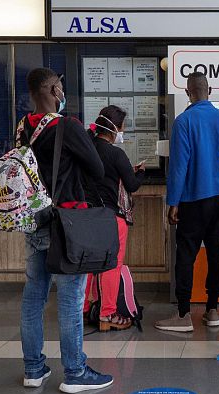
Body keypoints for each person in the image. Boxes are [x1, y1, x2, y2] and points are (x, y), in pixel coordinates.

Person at [19, 68, 113, 393]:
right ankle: (75, 372)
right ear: (53, 89)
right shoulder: (67, 126)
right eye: (60, 85)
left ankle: (34, 370)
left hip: (35, 222)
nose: (62, 90)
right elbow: (98, 170)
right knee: (71, 298)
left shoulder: (23, 127)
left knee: (33, 297)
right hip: (67, 223)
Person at [155, 72, 219, 332]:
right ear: (209, 90)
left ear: (188, 93)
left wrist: (173, 202)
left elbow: (178, 166)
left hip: (191, 198)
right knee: (215, 253)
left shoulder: (183, 121)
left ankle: (183, 314)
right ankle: (212, 310)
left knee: (186, 255)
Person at [83, 105, 145, 331]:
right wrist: (140, 173)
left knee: (87, 263)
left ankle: (85, 307)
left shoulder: (86, 148)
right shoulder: (115, 153)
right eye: (122, 128)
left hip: (86, 217)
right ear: (114, 129)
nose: (122, 132)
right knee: (111, 265)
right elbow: (132, 185)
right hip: (111, 218)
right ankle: (107, 314)